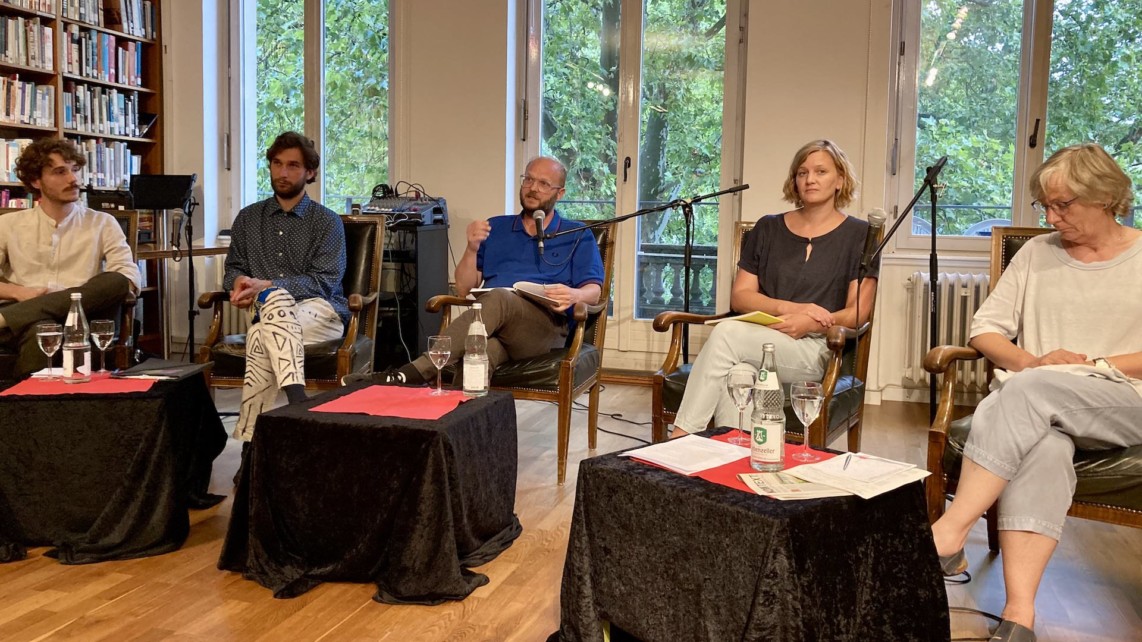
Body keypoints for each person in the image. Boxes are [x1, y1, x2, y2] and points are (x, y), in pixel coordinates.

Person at [931, 142, 1142, 642]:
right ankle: (1020, 616)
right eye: (1044, 205)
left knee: (1031, 391)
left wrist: (1090, 367)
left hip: (1124, 399)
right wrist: (1032, 362)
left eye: (1062, 205)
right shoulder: (1036, 253)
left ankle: (950, 529)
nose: (1050, 216)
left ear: (1106, 196)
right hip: (1036, 408)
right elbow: (984, 332)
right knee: (1043, 447)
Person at [670, 139, 878, 436]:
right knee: (739, 375)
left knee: (726, 333)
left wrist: (810, 321)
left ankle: (680, 438)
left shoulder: (860, 235)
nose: (810, 179)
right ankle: (735, 468)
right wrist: (792, 309)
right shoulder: (767, 228)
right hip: (759, 337)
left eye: (821, 171)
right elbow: (741, 296)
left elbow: (858, 312)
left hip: (814, 347)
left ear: (839, 180)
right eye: (802, 172)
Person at [376, 156, 604, 385]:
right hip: (498, 327)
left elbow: (594, 290)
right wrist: (472, 248)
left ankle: (415, 371)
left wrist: (575, 295)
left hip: (545, 330)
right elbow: (464, 288)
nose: (533, 188)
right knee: (479, 355)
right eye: (529, 180)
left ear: (560, 193)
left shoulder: (577, 234)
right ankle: (459, 416)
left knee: (500, 298)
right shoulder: (495, 227)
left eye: (544, 184)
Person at [223, 131, 348, 440]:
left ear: (310, 172)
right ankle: (297, 403)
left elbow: (325, 281)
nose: (282, 172)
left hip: (320, 314)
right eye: (277, 163)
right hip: (266, 313)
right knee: (264, 325)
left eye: (293, 165)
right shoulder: (248, 218)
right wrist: (239, 282)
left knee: (265, 318)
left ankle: (251, 446)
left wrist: (269, 284)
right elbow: (234, 269)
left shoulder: (326, 222)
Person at [0, 137, 141, 378]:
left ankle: (5, 319)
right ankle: (28, 409)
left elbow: (128, 278)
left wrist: (42, 306)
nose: (73, 179)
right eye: (60, 172)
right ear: (36, 181)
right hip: (24, 322)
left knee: (115, 281)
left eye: (75, 170)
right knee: (44, 330)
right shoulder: (8, 224)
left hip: (83, 317)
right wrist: (18, 292)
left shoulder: (102, 222)